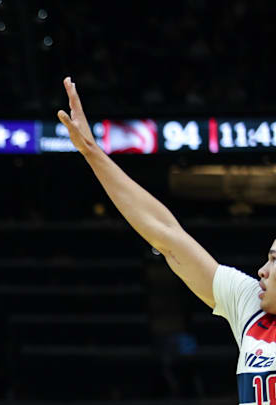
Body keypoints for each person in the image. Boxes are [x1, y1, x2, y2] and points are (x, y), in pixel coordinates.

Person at [57, 76, 276, 404]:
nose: (262, 270)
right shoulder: (250, 307)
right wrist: (91, 152)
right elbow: (167, 236)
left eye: (274, 261)